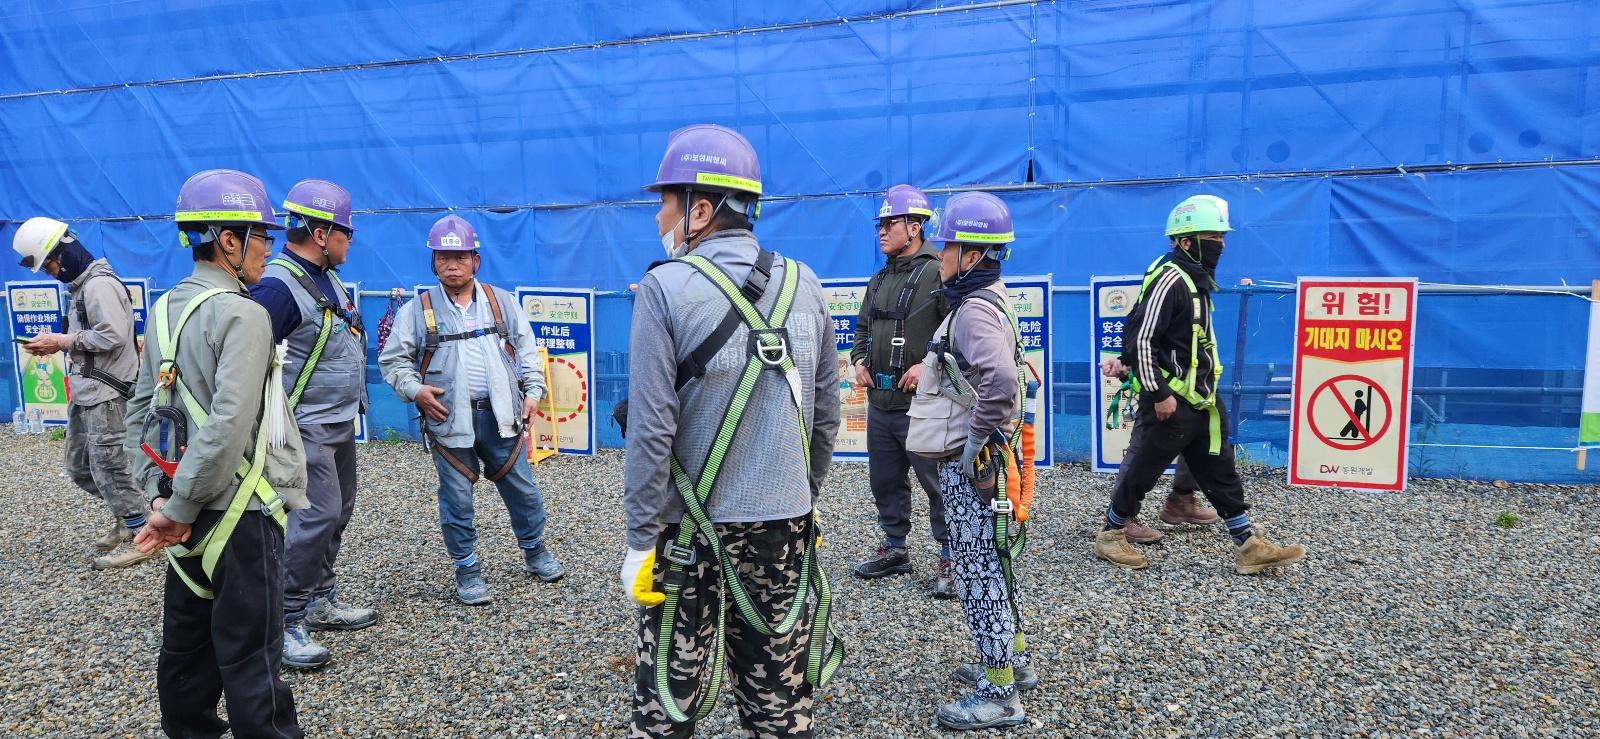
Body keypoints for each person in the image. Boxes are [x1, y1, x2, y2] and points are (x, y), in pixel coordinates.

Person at [621, 123, 843, 738]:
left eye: (666, 203)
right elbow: (826, 413)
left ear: (700, 209)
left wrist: (640, 538)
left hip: (687, 531)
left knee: (669, 701)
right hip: (784, 522)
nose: (659, 217)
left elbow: (651, 428)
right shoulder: (806, 284)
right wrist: (801, 493)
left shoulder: (664, 288)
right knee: (778, 697)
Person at [126, 169, 308, 738]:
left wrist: (161, 500)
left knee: (186, 653)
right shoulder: (245, 314)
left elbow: (141, 412)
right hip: (240, 515)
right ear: (228, 239)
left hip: (182, 512)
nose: (268, 250)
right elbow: (230, 424)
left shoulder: (163, 309)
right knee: (251, 657)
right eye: (262, 237)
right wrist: (178, 507)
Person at [1092, 194, 1306, 575]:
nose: (1220, 245)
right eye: (1213, 238)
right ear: (1186, 242)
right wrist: (1159, 393)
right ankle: (1111, 533)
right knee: (1143, 468)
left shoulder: (1195, 279)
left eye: (1222, 237)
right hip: (1173, 400)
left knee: (1219, 467)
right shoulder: (1171, 280)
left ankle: (1247, 543)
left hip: (1201, 400)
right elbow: (1142, 338)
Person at [378, 213, 563, 605]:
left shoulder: (501, 302)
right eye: (443, 257)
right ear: (433, 262)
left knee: (524, 491)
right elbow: (394, 361)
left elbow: (527, 351)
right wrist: (415, 390)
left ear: (475, 260)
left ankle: (535, 551)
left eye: (460, 256)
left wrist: (534, 392)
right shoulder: (417, 311)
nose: (452, 264)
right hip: (449, 420)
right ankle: (467, 569)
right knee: (457, 499)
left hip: (501, 417)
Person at [907, 191, 1033, 730]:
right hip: (995, 463)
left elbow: (1001, 382)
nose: (941, 257)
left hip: (978, 466)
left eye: (948, 247)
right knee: (994, 563)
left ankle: (999, 693)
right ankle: (1013, 660)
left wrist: (972, 443)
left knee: (976, 567)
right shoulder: (993, 299)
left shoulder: (974, 311)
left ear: (973, 254)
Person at [249, 180, 376, 670]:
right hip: (305, 426)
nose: (350, 241)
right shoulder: (278, 288)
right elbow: (246, 359)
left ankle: (320, 597)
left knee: (337, 511)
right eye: (346, 232)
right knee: (315, 517)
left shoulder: (325, 277)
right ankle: (284, 619)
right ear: (322, 234)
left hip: (337, 421)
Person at [12, 216, 148, 569]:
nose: (51, 273)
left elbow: (112, 335)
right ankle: (127, 516)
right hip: (87, 391)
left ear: (64, 252)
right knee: (80, 467)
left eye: (50, 265)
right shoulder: (81, 288)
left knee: (111, 467)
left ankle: (143, 534)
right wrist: (58, 344)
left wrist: (60, 341)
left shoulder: (98, 286)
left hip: (107, 393)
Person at [848, 184, 954, 597]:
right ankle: (895, 548)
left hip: (924, 406)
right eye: (881, 223)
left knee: (938, 483)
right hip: (881, 402)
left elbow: (956, 331)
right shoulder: (878, 278)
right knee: (885, 480)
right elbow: (862, 328)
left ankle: (951, 555)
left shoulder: (938, 273)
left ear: (915, 227)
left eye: (890, 223)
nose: (882, 230)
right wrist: (859, 360)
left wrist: (927, 365)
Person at [1098, 356, 1220, 545]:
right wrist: (1126, 361)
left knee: (1196, 435)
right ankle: (1119, 518)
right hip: (1161, 383)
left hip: (1190, 380)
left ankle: (1182, 497)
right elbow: (1144, 342)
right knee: (1142, 445)